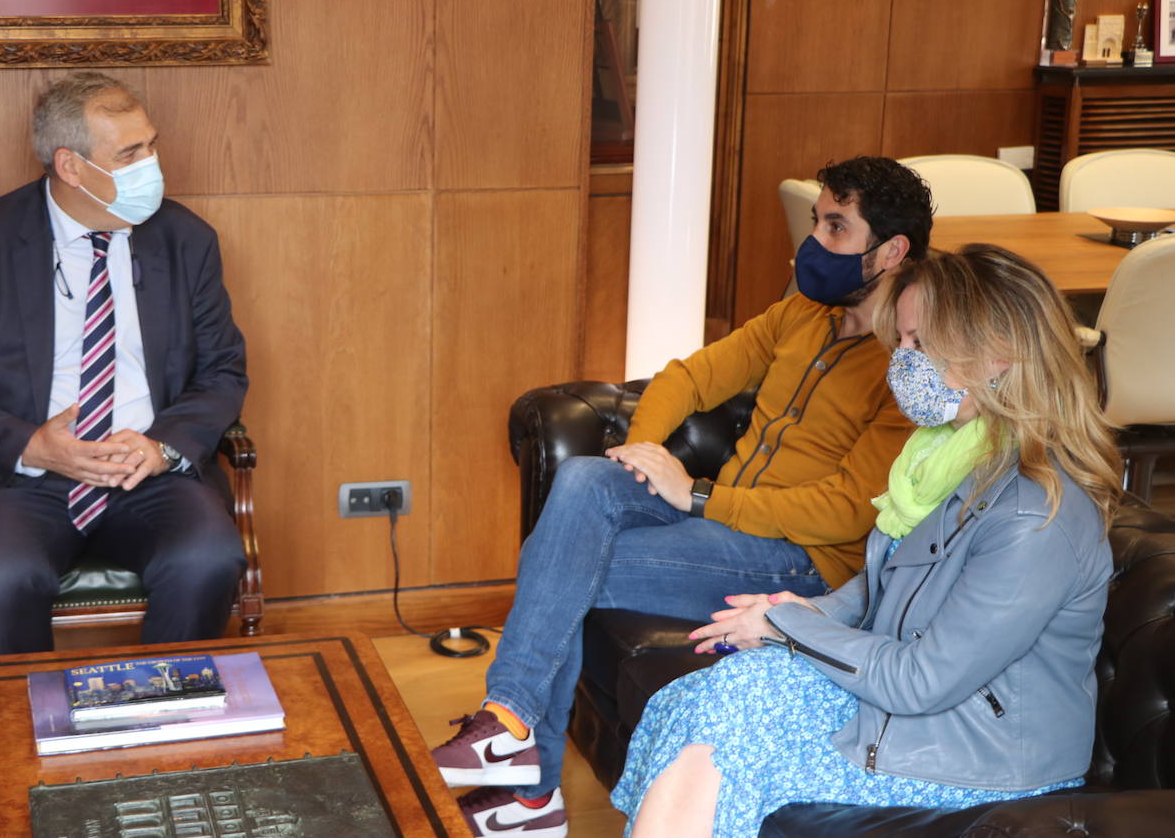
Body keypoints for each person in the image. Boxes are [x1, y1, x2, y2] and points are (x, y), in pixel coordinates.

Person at [434, 157, 935, 836]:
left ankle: (527, 783)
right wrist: (642, 452)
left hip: (801, 559)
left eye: (836, 227)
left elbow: (847, 508)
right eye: (818, 220)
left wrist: (697, 497)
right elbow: (688, 378)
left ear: (893, 251)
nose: (813, 241)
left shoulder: (906, 365)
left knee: (565, 565)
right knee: (583, 481)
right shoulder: (803, 312)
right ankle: (512, 725)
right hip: (724, 519)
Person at [612, 244, 1122, 837]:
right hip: (924, 717)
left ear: (996, 356)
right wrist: (797, 609)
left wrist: (789, 629)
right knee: (715, 699)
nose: (899, 360)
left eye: (918, 343)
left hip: (987, 758)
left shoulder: (1035, 516)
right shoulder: (946, 456)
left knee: (726, 725)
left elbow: (921, 680)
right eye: (899, 342)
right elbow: (885, 585)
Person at [0, 72, 249, 658]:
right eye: (130, 153)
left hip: (146, 473)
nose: (152, 164)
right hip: (15, 481)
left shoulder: (186, 240)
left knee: (208, 556)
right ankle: (20, 736)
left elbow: (223, 371)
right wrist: (33, 446)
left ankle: (166, 721)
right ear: (70, 166)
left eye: (151, 145)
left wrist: (160, 446)